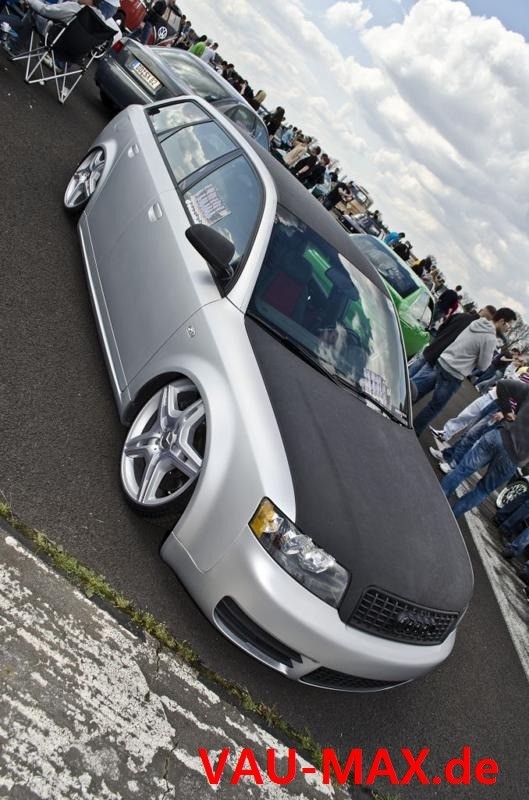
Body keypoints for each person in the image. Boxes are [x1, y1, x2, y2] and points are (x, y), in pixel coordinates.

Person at [413, 307, 516, 436]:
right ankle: (413, 430)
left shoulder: (476, 323)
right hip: (454, 373)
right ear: (501, 321)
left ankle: (399, 408)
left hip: (444, 360)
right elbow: (483, 366)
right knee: (434, 406)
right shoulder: (490, 338)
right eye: (509, 325)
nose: (508, 329)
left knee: (418, 389)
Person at [441, 378, 529, 518]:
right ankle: (448, 517)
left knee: (463, 469)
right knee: (482, 490)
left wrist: (508, 412)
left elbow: (503, 385)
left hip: (500, 436)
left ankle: (437, 499)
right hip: (514, 457)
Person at [409, 305, 496, 392]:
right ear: (488, 320)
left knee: (411, 371)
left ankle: (402, 385)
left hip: (434, 346)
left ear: (481, 310)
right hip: (443, 355)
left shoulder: (461, 315)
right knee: (416, 384)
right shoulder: (476, 330)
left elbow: (442, 326)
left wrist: (438, 339)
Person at [1, 0, 121, 52]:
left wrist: (30, 1)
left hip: (55, 40)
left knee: (35, 12)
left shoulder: (76, 7)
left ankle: (14, 47)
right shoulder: (99, 18)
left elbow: (45, 10)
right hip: (73, 54)